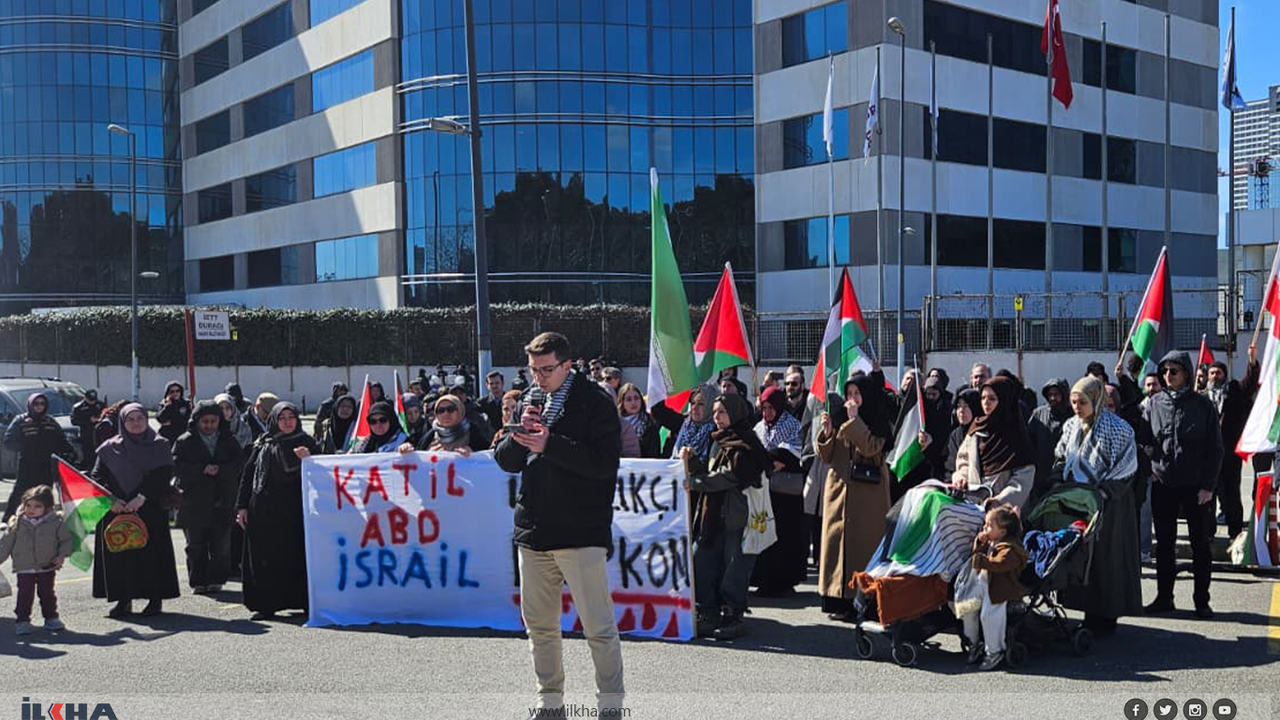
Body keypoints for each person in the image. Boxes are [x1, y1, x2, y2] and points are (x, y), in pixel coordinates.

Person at [493, 332, 624, 716]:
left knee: (598, 627)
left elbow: (604, 465)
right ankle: (549, 703)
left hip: (581, 530)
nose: (539, 377)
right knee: (539, 626)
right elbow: (505, 460)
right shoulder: (530, 399)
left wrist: (551, 444)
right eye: (533, 369)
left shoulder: (595, 401)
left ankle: (611, 706)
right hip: (534, 530)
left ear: (568, 365)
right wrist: (521, 438)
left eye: (547, 369)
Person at [1052, 376, 1142, 634]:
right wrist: (1058, 480)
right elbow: (1061, 456)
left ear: (1097, 400)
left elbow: (1126, 467)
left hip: (1110, 504)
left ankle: (1106, 616)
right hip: (1077, 502)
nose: (1077, 407)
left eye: (1082, 402)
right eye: (1073, 401)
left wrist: (1103, 492)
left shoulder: (1119, 428)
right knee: (1081, 557)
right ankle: (1087, 614)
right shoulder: (1071, 426)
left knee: (1107, 561)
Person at [682, 393, 770, 639]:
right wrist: (694, 462)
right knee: (702, 561)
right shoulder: (718, 440)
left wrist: (696, 481)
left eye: (722, 412)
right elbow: (714, 471)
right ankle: (707, 613)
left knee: (735, 569)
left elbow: (731, 476)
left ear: (735, 413)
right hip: (712, 517)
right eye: (715, 412)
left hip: (738, 517)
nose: (716, 418)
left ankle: (733, 615)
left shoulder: (746, 442)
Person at [1143, 351, 1222, 619]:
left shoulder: (1203, 405)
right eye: (1164, 371)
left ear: (1186, 373)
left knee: (1200, 545)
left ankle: (1202, 600)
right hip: (1164, 483)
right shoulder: (1154, 404)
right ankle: (1165, 597)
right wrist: (1150, 470)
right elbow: (1144, 441)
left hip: (1195, 487)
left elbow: (1215, 449)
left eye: (1173, 371)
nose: (1168, 376)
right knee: (1164, 545)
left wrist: (1208, 486)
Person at [91, 403, 181, 618]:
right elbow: (97, 476)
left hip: (149, 509)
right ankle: (123, 600)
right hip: (117, 509)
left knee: (151, 556)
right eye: (130, 419)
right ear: (122, 422)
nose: (136, 423)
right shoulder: (109, 447)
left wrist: (141, 497)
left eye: (140, 418)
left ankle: (154, 599)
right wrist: (111, 500)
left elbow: (163, 474)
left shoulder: (159, 445)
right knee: (120, 554)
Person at [816, 373, 894, 618]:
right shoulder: (842, 420)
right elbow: (826, 456)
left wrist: (853, 421)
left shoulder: (876, 420)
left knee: (863, 549)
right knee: (837, 549)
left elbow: (871, 448)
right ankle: (837, 599)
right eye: (849, 394)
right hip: (839, 493)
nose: (852, 399)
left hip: (867, 497)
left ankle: (863, 602)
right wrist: (827, 433)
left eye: (857, 395)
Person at [235, 402, 318, 621]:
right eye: (282, 418)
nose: (288, 421)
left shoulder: (308, 443)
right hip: (265, 513)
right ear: (274, 420)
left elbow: (324, 474)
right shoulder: (263, 444)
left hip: (297, 514)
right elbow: (248, 476)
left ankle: (305, 603)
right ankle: (266, 604)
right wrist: (242, 507)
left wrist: (309, 459)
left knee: (299, 558)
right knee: (266, 559)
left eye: (291, 417)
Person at [172, 401, 243, 595]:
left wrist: (220, 470)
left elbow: (239, 465)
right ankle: (198, 580)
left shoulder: (229, 440)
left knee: (220, 545)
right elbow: (177, 466)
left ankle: (217, 579)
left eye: (213, 421)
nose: (209, 425)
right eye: (205, 421)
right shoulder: (185, 441)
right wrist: (201, 469)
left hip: (223, 500)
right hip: (194, 501)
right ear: (196, 421)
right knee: (195, 545)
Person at [749, 386, 807, 598]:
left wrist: (772, 457)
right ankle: (764, 580)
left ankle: (784, 581)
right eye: (764, 408)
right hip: (764, 493)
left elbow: (791, 453)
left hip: (785, 496)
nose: (768, 413)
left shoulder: (792, 425)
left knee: (785, 538)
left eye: (771, 408)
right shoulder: (758, 428)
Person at [951, 377, 1036, 512]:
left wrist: (1000, 501)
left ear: (1004, 400)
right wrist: (961, 475)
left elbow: (1024, 477)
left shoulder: (1016, 434)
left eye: (992, 399)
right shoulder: (977, 427)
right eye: (983, 398)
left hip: (1004, 513)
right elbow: (964, 459)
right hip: (973, 505)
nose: (986, 403)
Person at [962, 503, 1027, 671]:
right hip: (984, 582)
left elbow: (1001, 564)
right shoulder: (993, 541)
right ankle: (974, 642)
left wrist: (982, 561)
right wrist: (980, 543)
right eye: (985, 524)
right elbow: (978, 554)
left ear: (1003, 532)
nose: (985, 528)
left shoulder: (1011, 548)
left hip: (1000, 588)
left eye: (990, 526)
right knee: (967, 608)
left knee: (988, 616)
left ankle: (995, 651)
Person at [0, 485, 73, 634]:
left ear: (47, 507)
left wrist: (61, 556)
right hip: (24, 565)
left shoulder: (56, 522)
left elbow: (66, 541)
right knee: (25, 594)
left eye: (37, 506)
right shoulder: (17, 523)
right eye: (28, 505)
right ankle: (22, 621)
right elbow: (6, 544)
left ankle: (51, 618)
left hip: (47, 565)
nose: (31, 509)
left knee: (47, 593)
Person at [1204, 350, 1260, 540]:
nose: (1215, 376)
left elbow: (1250, 383)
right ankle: (1207, 533)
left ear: (1224, 375)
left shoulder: (1234, 390)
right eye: (1212, 373)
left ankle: (1235, 533)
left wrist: (1252, 362)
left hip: (1229, 453)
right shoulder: (1201, 397)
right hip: (1207, 455)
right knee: (1208, 495)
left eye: (1218, 372)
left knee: (1231, 494)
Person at [3, 393, 78, 521]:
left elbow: (62, 441)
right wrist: (26, 446)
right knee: (20, 492)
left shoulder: (49, 421)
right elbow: (8, 441)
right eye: (36, 404)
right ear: (30, 405)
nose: (39, 407)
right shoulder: (20, 420)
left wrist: (71, 453)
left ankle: (46, 519)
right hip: (27, 464)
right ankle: (9, 519)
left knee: (45, 493)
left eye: (42, 404)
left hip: (46, 465)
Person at [1027, 378, 1071, 501]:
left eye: (1056, 395)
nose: (1053, 398)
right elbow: (1029, 440)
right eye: (1050, 395)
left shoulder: (1072, 415)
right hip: (1041, 473)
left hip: (1064, 473)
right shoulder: (1038, 414)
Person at [407, 394, 491, 455]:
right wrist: (406, 450)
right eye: (441, 411)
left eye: (450, 409)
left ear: (460, 410)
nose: (445, 414)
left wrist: (474, 454)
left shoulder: (474, 434)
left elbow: (490, 459)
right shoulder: (429, 436)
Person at [614, 383, 661, 459]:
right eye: (628, 399)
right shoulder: (615, 424)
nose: (633, 402)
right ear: (622, 403)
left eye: (636, 398)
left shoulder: (649, 423)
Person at [945, 388, 983, 477]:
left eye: (966, 405)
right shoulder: (955, 435)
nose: (961, 410)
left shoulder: (984, 433)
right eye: (958, 406)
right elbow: (950, 464)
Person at [71, 389, 105, 470]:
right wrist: (88, 420)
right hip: (86, 435)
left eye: (93, 400)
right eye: (90, 400)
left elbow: (106, 415)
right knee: (88, 455)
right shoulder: (78, 407)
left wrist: (99, 419)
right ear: (85, 397)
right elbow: (74, 421)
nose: (92, 402)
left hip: (99, 434)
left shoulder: (100, 405)